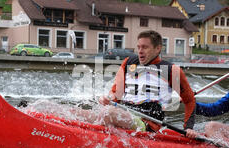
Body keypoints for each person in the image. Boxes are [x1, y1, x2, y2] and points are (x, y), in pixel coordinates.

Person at [59, 30, 196, 132]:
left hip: (146, 123)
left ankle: (89, 137)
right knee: (71, 112)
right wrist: (108, 99)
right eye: (139, 47)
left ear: (158, 48)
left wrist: (189, 128)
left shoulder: (172, 70)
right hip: (123, 114)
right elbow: (116, 94)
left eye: (145, 47)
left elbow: (189, 100)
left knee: (108, 113)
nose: (140, 51)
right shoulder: (129, 63)